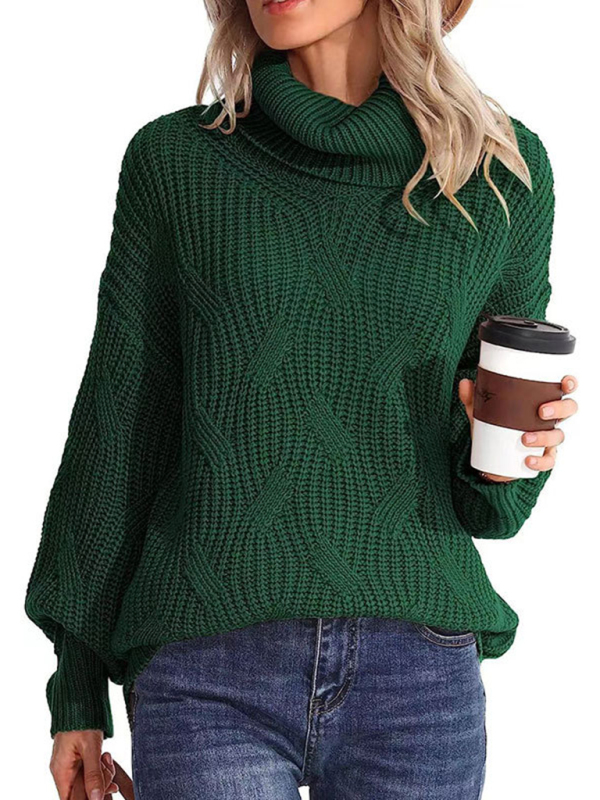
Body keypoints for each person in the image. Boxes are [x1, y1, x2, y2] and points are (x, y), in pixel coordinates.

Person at [25, 1, 579, 798]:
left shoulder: (497, 173)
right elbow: (121, 421)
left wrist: (510, 461)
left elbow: (491, 506)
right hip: (206, 662)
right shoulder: (178, 162)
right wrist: (76, 688)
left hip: (419, 677)